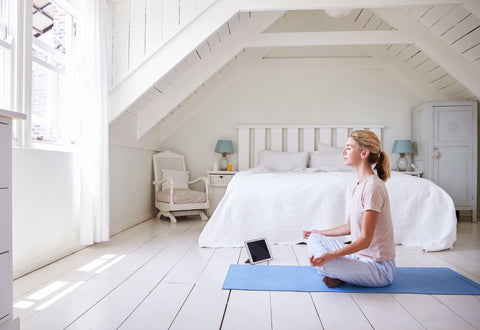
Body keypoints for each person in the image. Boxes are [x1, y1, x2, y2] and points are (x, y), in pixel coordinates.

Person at [303, 130, 396, 288]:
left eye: (349, 148)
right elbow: (350, 227)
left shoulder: (373, 187)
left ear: (364, 153)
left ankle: (339, 273)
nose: (343, 152)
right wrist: (318, 232)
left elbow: (365, 240)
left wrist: (331, 256)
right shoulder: (360, 185)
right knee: (314, 239)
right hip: (359, 257)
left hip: (379, 268)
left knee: (324, 264)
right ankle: (343, 274)